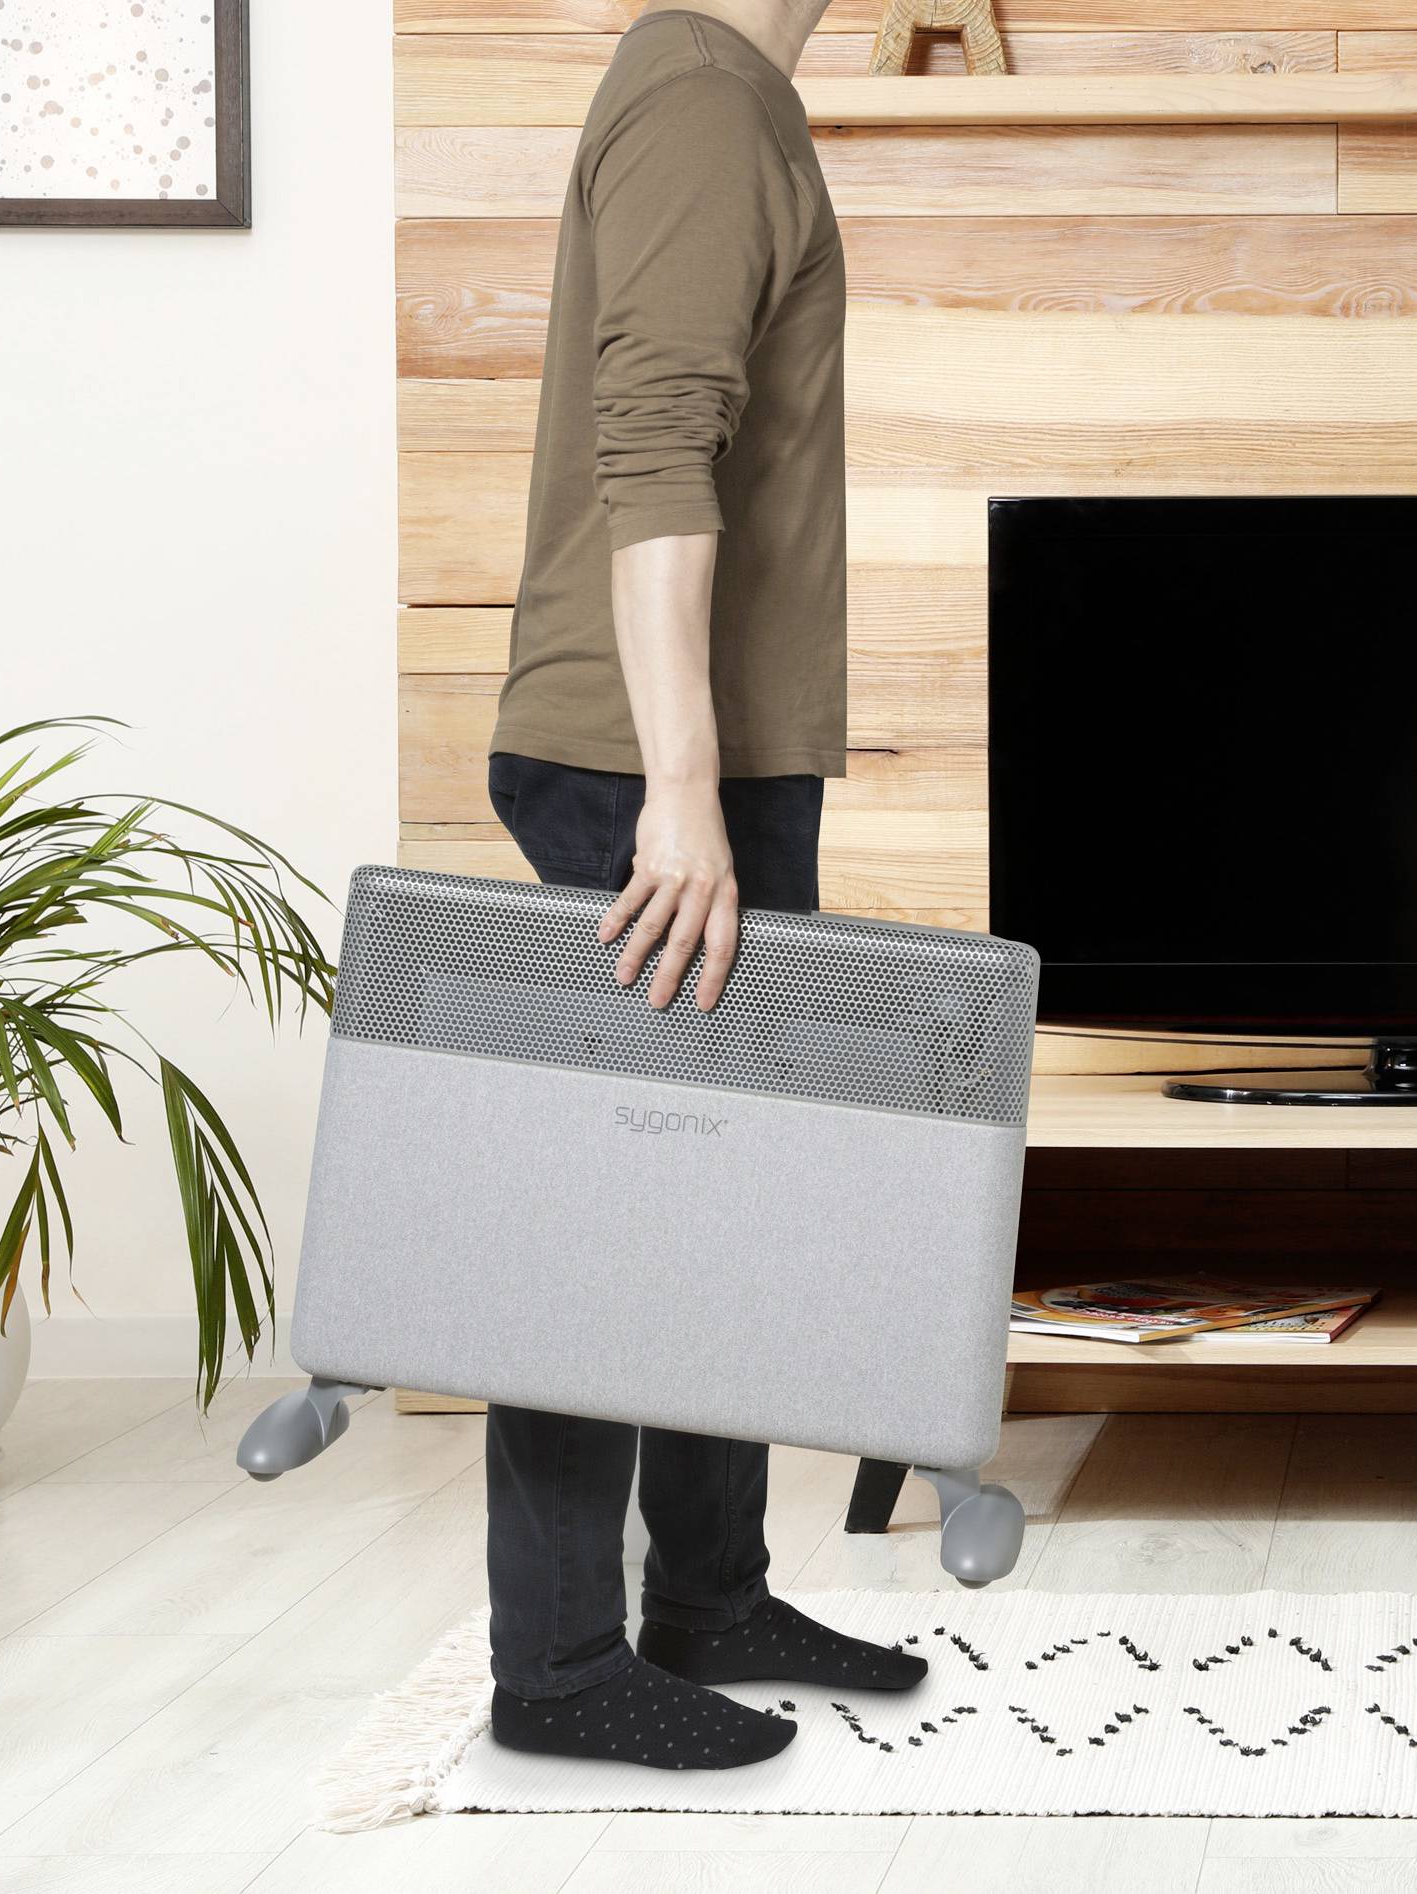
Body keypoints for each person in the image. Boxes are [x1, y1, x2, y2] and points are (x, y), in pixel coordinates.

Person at [480, 0, 923, 1771]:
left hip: (709, 757)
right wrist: (678, 792)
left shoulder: (727, 91)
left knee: (719, 1207)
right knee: (618, 1219)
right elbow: (653, 439)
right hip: (641, 764)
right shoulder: (694, 96)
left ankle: (713, 1597)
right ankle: (564, 1663)